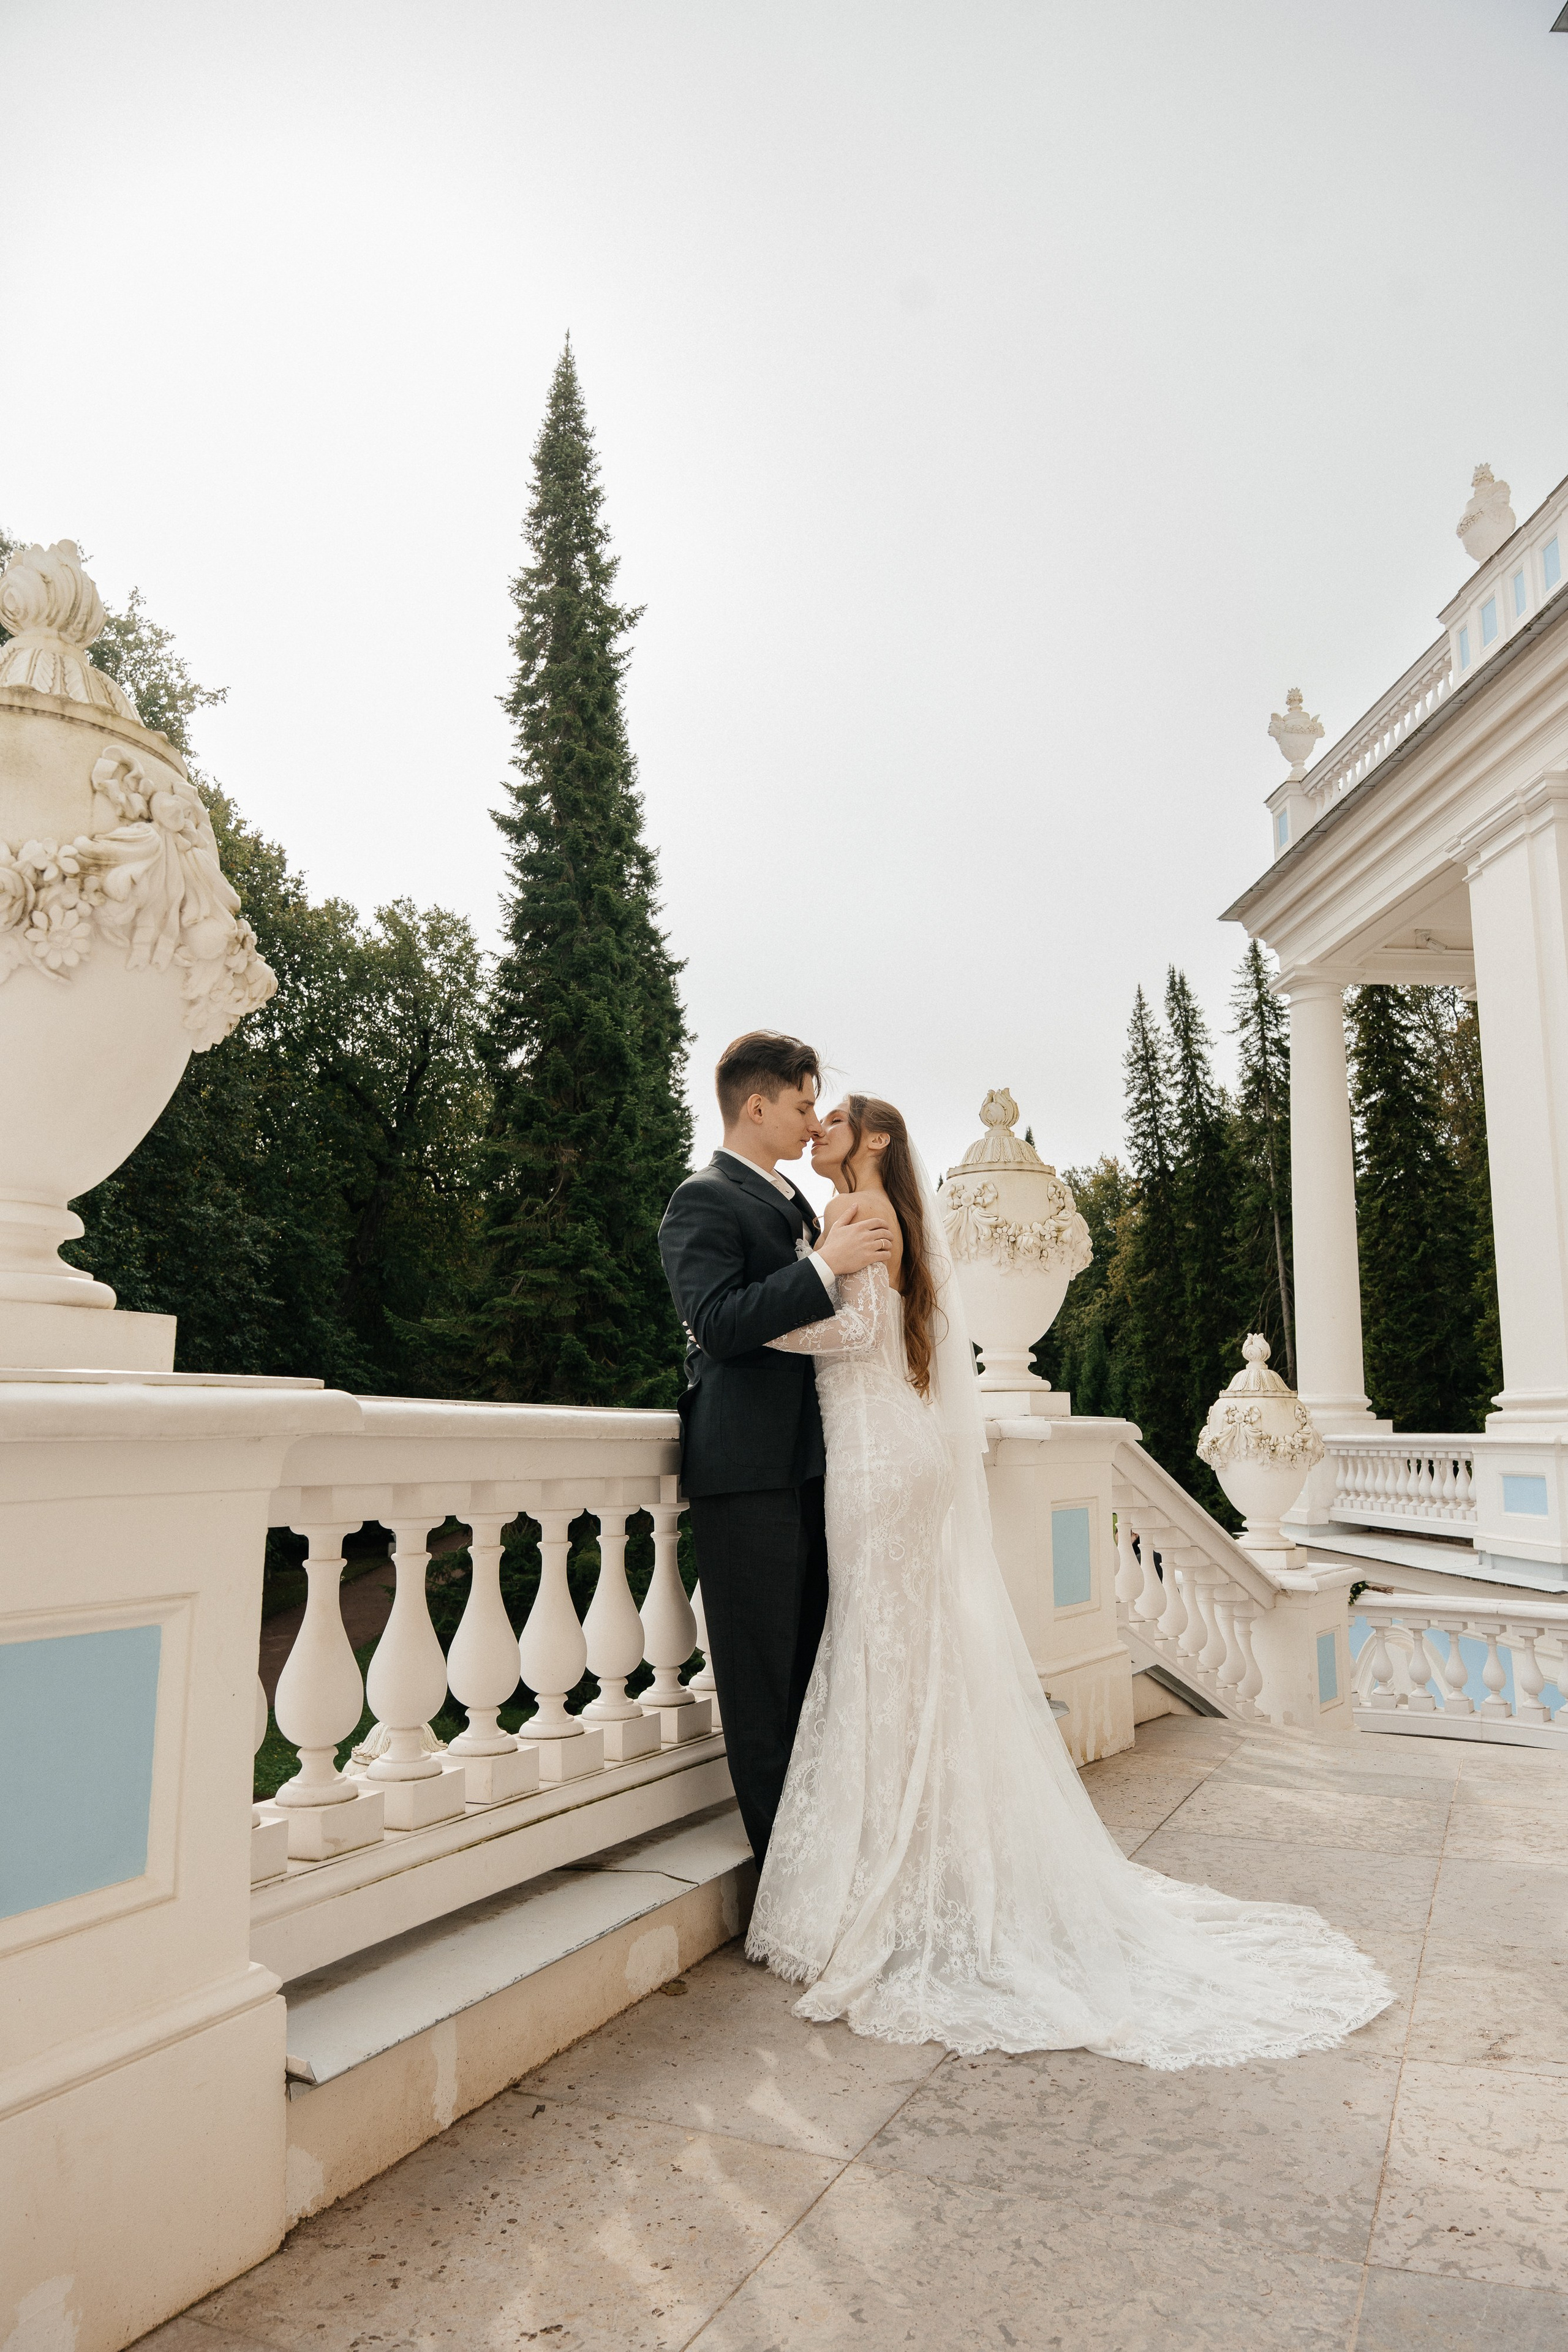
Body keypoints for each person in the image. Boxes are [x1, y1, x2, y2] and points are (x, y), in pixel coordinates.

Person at [745, 1090, 1393, 2067]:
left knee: (885, 1646)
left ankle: (898, 1878)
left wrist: (775, 1305)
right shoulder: (895, 1217)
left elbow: (848, 1333)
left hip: (877, 1460)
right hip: (894, 1452)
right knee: (908, 1648)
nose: (821, 1124)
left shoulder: (855, 1215)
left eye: (837, 1116)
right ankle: (928, 1861)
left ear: (875, 1138)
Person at [657, 1033, 896, 1864]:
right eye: (800, 1105)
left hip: (816, 1467)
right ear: (755, 1106)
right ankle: (785, 1880)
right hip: (748, 1472)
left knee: (812, 1678)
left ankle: (826, 1865)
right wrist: (824, 1265)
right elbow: (718, 1325)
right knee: (761, 1689)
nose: (808, 1121)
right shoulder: (702, 1199)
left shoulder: (792, 1199)